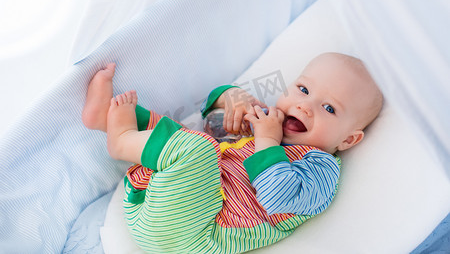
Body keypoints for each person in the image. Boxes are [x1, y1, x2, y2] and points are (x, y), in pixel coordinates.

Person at [82, 52, 383, 253]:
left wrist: (267, 139)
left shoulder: (321, 167)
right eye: (303, 90)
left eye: (329, 108)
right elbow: (209, 123)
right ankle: (103, 119)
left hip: (192, 231)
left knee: (196, 148)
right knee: (186, 135)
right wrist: (231, 100)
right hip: (157, 197)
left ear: (348, 140)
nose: (306, 105)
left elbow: (277, 197)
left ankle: (122, 141)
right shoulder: (266, 119)